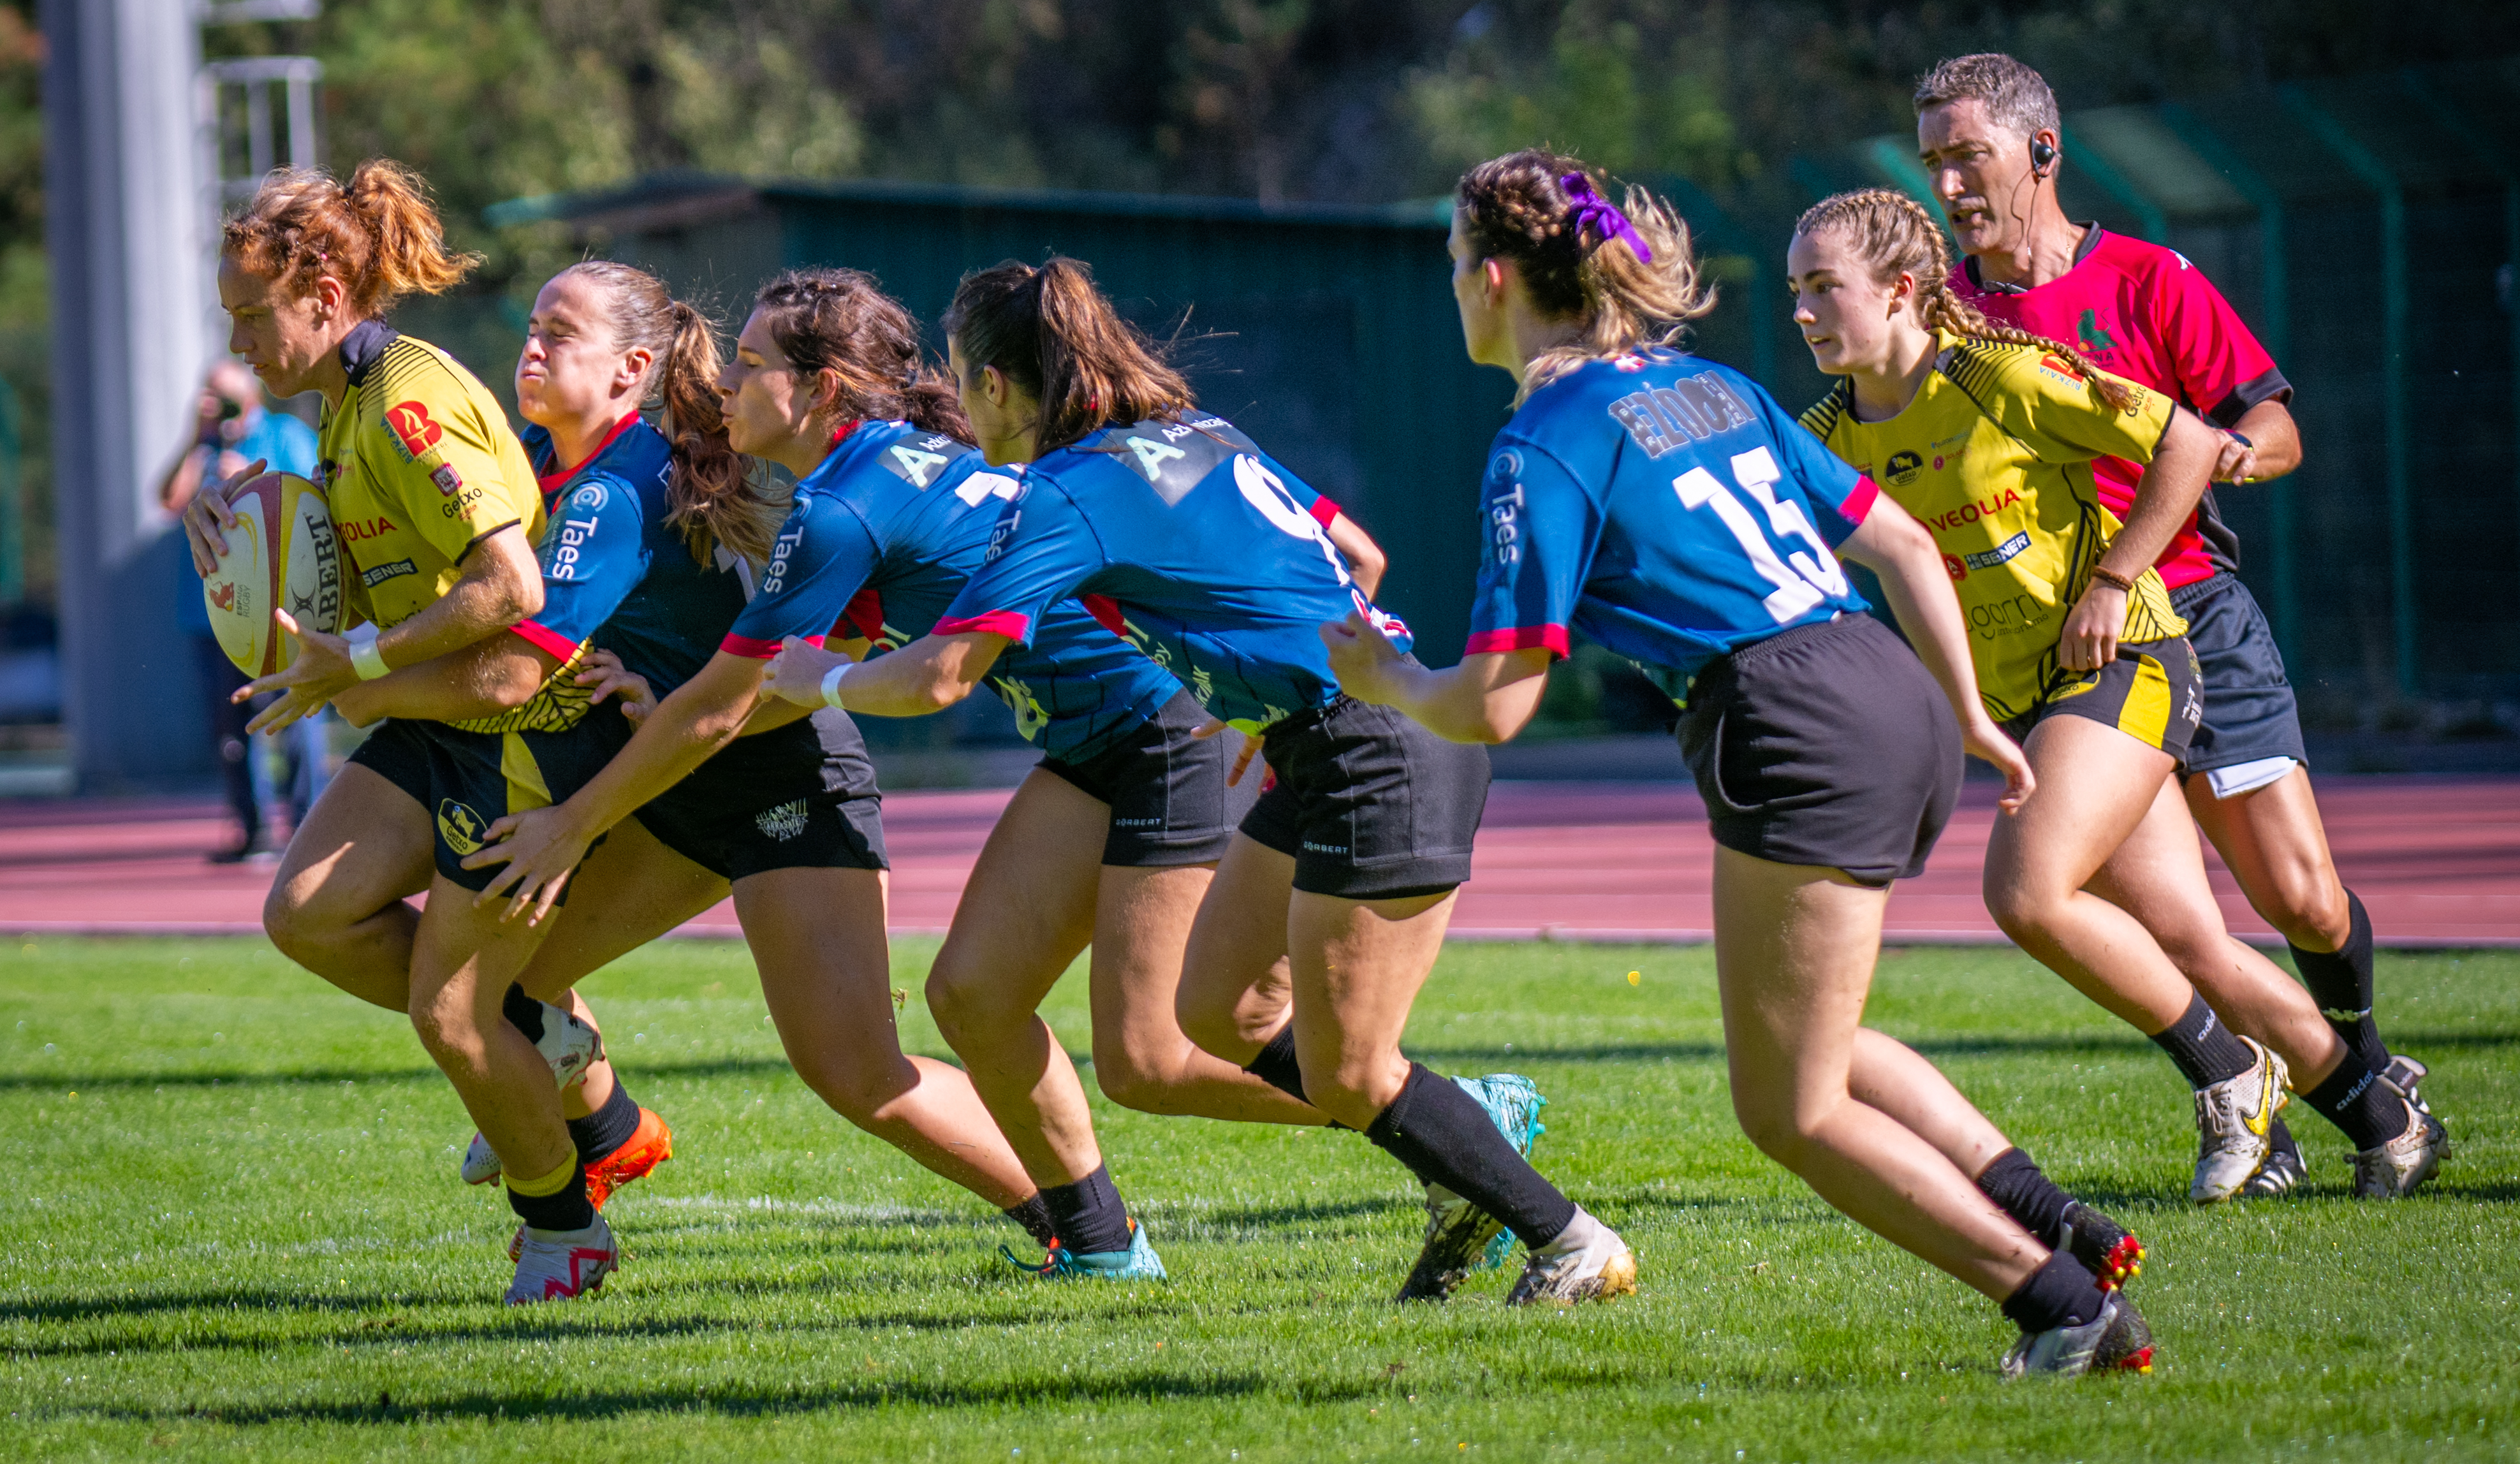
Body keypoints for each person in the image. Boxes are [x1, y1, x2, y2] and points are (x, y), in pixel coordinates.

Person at [1318, 151, 2150, 1376]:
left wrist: (1382, 678)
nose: (1454, 285)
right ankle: (2054, 1220)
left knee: (1790, 1109)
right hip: (1884, 686)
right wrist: (1967, 711)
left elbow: (1498, 702)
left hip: (1786, 715)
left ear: (1494, 278)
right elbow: (1907, 541)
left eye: (1453, 262)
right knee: (1815, 1033)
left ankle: (2063, 1306)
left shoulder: (1542, 438)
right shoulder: (1709, 383)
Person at [753, 257, 1633, 1308]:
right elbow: (1359, 551)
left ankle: (1562, 1229)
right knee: (1203, 1010)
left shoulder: (1063, 493)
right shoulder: (1197, 432)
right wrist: (1267, 696)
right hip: (1334, 727)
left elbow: (943, 675)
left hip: (1371, 745)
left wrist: (827, 676)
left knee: (1316, 1066)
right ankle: (1428, 1162)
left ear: (995, 385)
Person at [1789, 186, 2446, 1204]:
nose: (1801, 312)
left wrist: (2109, 581)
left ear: (1902, 289)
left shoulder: (1999, 374)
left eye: (1823, 287)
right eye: (1795, 292)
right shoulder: (1823, 436)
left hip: (2128, 661)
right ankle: (2386, 1121)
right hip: (2027, 703)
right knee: (2189, 943)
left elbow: (2188, 440)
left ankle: (2229, 1075)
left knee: (2025, 890)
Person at [450, 267, 1069, 1261]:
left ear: (631, 369)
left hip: (779, 773)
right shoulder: (536, 464)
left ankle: (1071, 1223)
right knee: (500, 981)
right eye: (530, 327)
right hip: (679, 767)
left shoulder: (669, 475)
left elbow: (744, 693)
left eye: (557, 334)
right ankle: (608, 1133)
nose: (530, 349)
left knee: (858, 1071)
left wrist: (575, 814)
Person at [181, 164, 663, 1305]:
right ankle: (558, 1052)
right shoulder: (344, 410)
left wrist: (354, 665)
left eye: (251, 312)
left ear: (326, 290)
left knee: (452, 1012)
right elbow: (376, 578)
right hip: (433, 703)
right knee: (305, 912)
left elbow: (510, 583)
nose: (240, 339)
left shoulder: (405, 399)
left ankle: (566, 1222)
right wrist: (247, 543)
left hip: (514, 723)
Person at [159, 358, 325, 862]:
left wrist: (256, 481)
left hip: (276, 609)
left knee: (294, 722)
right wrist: (196, 439)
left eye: (226, 396)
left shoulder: (281, 434)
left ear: (251, 395)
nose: (218, 405)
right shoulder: (204, 450)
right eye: (209, 396)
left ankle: (306, 828)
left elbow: (312, 499)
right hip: (211, 612)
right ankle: (250, 830)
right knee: (231, 728)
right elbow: (168, 500)